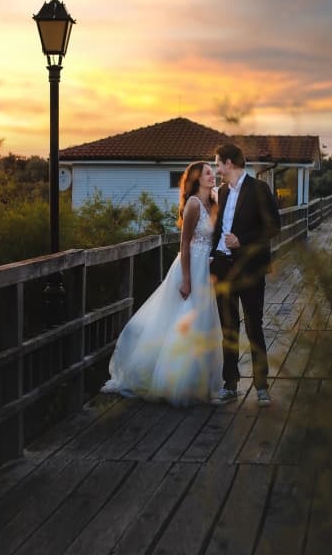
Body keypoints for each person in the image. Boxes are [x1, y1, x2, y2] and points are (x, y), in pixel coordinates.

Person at [100, 161, 223, 406]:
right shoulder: (193, 204)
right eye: (208, 173)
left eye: (213, 172)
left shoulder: (213, 202)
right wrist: (187, 279)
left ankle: (198, 382)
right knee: (183, 321)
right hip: (189, 269)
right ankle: (174, 381)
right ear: (197, 179)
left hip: (206, 269)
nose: (213, 176)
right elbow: (185, 244)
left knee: (202, 322)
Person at [209, 143, 281, 407]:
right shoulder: (223, 192)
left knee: (253, 327)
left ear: (229, 163)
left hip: (250, 269)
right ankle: (230, 385)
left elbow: (274, 227)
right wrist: (212, 257)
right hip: (223, 269)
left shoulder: (259, 189)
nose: (217, 169)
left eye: (218, 164)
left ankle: (261, 386)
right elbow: (219, 229)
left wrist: (243, 241)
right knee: (228, 329)